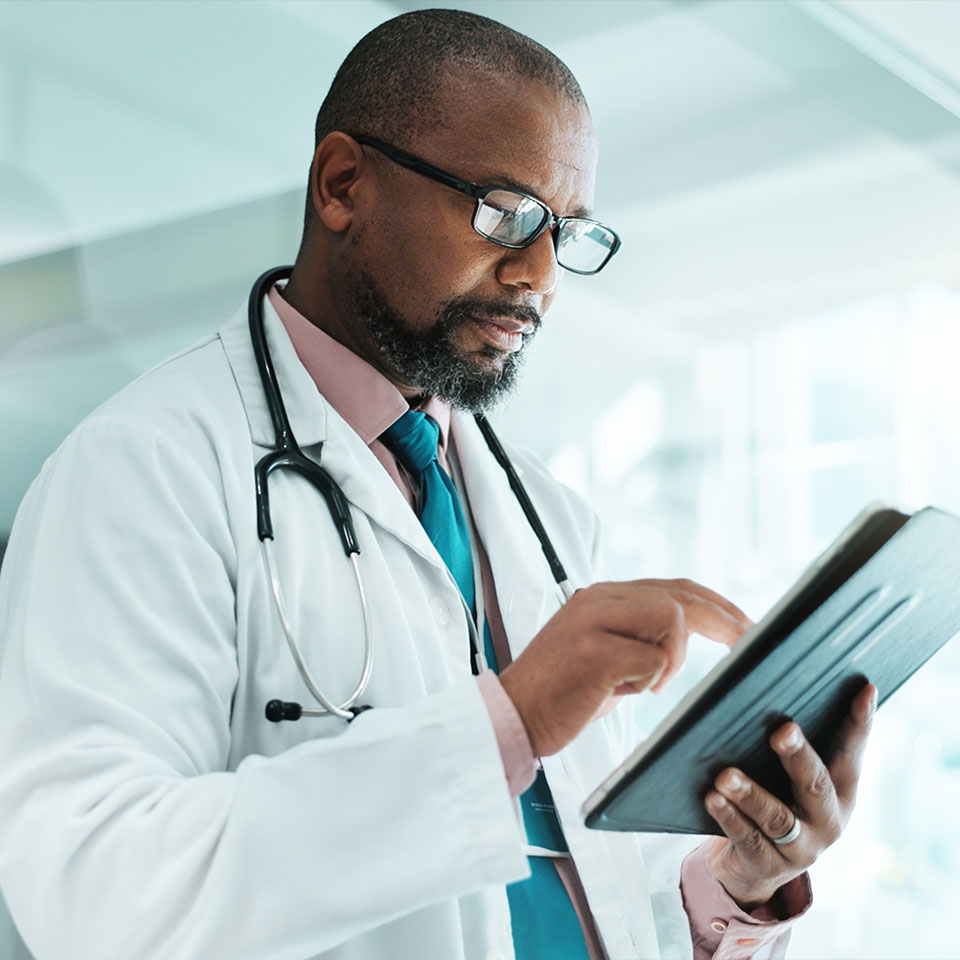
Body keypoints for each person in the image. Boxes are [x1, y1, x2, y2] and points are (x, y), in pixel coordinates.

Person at [0, 9, 875, 960]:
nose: (540, 273)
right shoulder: (144, 470)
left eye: (568, 233)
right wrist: (512, 720)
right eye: (505, 212)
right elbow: (93, 894)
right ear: (343, 185)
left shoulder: (547, 512)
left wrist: (731, 886)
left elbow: (573, 884)